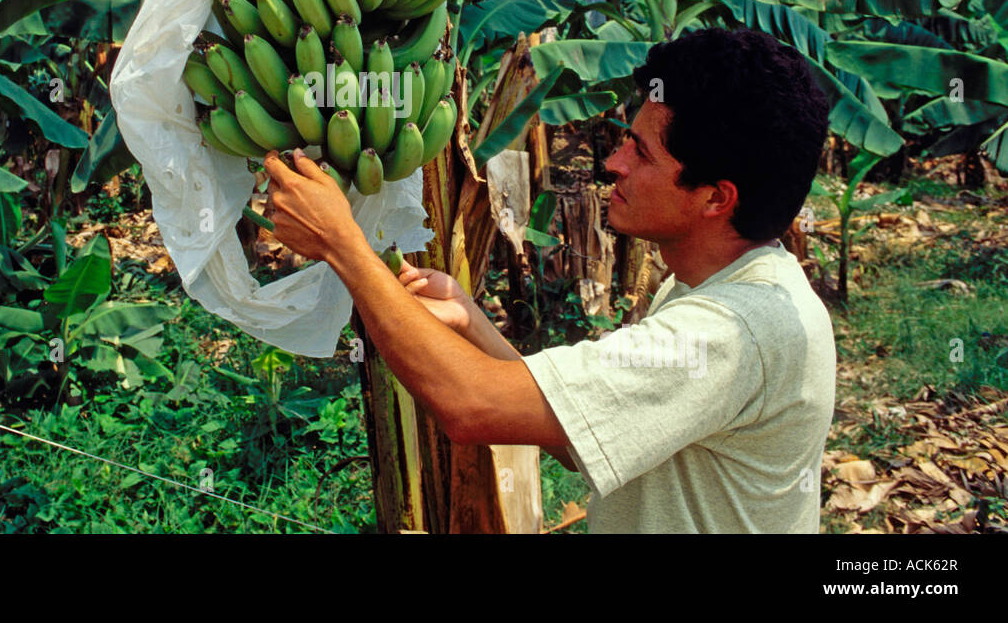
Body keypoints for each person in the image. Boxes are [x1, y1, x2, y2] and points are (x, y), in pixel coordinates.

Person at [263, 27, 835, 532]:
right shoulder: (716, 283)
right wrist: (469, 316)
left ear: (716, 197)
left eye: (641, 152)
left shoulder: (732, 335)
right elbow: (575, 433)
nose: (614, 164)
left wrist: (343, 244)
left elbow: (471, 406)